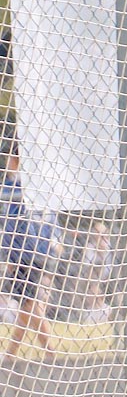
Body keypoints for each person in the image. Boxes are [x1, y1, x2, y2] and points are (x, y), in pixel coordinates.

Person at [1, 140, 57, 363]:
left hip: (26, 251)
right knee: (29, 303)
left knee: (29, 304)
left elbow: (16, 223)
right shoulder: (29, 185)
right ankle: (44, 350)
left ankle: (41, 351)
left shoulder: (20, 187)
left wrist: (12, 253)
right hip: (30, 251)